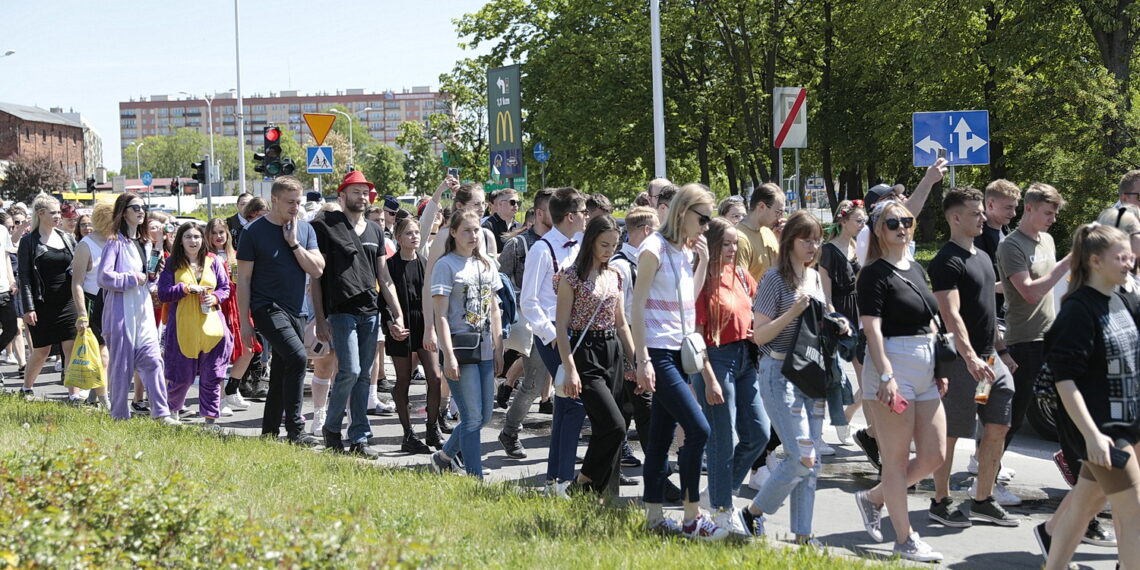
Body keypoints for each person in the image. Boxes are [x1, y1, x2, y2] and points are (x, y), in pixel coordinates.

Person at [852, 200, 948, 563]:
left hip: (924, 367)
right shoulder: (873, 273)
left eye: (907, 221)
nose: (902, 227)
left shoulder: (916, 268)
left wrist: (939, 368)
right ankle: (904, 539)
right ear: (878, 229)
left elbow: (931, 321)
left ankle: (875, 497)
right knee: (895, 460)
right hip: (892, 367)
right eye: (893, 222)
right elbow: (872, 329)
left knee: (934, 455)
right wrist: (886, 375)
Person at [1042, 223, 1140, 570]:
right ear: (1096, 261)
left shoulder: (1122, 298)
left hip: (1128, 422)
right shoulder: (1078, 311)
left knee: (1084, 505)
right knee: (1133, 513)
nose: (1129, 262)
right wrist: (1092, 435)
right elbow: (1064, 380)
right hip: (1104, 428)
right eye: (1122, 257)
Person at [631, 183, 725, 540]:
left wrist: (700, 261)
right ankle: (691, 517)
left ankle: (654, 517)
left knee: (659, 438)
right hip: (657, 352)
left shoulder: (683, 251)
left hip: (678, 351)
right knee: (698, 429)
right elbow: (636, 306)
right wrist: (642, 360)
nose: (706, 226)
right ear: (683, 212)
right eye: (703, 218)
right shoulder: (652, 248)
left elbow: (688, 298)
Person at [927, 187, 1019, 528]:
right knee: (951, 433)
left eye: (982, 212)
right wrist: (970, 358)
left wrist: (1001, 351)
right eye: (976, 213)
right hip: (964, 364)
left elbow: (987, 312)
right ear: (955, 218)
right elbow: (952, 317)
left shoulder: (981, 256)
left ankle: (983, 498)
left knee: (999, 425)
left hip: (989, 361)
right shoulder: (946, 261)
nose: (983, 217)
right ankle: (940, 499)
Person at [738, 211, 831, 544]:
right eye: (806, 240)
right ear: (790, 241)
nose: (813, 246)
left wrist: (836, 325)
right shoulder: (774, 279)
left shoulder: (815, 277)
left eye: (817, 239)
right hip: (778, 371)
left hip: (810, 372)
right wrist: (793, 311)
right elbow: (759, 335)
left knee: (812, 460)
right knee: (801, 454)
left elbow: (821, 322)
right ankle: (751, 514)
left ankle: (803, 536)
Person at [310, 171, 405, 457]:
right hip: (340, 311)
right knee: (349, 371)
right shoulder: (325, 225)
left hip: (370, 311)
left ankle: (359, 437)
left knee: (364, 375)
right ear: (342, 196)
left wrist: (397, 313)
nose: (362, 197)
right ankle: (331, 427)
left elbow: (384, 277)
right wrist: (319, 317)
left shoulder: (376, 231)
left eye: (366, 192)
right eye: (356, 192)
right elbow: (316, 277)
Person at [995, 183, 1070, 504]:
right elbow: (1029, 291)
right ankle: (987, 477)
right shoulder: (1012, 246)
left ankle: (1077, 468)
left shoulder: (1048, 239)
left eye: (1055, 214)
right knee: (1014, 413)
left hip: (1050, 337)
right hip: (1023, 340)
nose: (1053, 219)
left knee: (1070, 409)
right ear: (1029, 208)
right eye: (1048, 213)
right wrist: (1069, 261)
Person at [236, 176, 325, 445]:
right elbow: (244, 280)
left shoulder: (305, 230)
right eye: (290, 202)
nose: (295, 207)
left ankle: (269, 432)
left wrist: (294, 243)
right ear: (274, 200)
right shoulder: (253, 232)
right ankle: (296, 429)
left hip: (298, 310)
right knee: (298, 358)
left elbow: (318, 269)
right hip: (266, 308)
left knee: (282, 370)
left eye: (298, 202)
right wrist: (244, 322)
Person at [554, 214, 636, 495]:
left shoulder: (616, 275)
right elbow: (561, 327)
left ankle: (600, 494)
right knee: (613, 425)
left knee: (613, 426)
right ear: (590, 241)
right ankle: (582, 482)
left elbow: (621, 322)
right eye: (604, 244)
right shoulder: (570, 277)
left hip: (612, 349)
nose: (609, 250)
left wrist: (636, 360)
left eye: (614, 245)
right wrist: (571, 368)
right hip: (585, 352)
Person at [695, 217, 767, 535]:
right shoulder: (700, 280)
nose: (733, 248)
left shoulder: (739, 273)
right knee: (724, 441)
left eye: (735, 243)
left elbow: (758, 307)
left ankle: (717, 493)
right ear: (711, 244)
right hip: (715, 359)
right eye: (726, 243)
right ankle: (722, 512)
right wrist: (709, 376)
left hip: (743, 359)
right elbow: (694, 336)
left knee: (759, 434)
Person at [515, 187, 589, 490]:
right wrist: (552, 336)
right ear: (570, 216)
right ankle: (562, 478)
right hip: (553, 338)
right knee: (574, 401)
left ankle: (555, 476)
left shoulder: (581, 243)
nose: (587, 217)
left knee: (567, 404)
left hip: (579, 334)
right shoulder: (542, 249)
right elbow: (529, 301)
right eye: (583, 212)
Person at [428, 210, 504, 478]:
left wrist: (499, 346)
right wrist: (448, 356)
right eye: (467, 231)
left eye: (476, 231)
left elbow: (494, 308)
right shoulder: (445, 265)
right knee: (471, 418)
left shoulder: (486, 264)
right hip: (460, 349)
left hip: (485, 348)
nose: (473, 236)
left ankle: (444, 456)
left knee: (483, 417)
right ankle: (475, 477)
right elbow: (442, 317)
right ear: (453, 233)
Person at [98, 193, 174, 423]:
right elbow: (104, 277)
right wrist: (132, 278)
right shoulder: (114, 242)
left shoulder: (145, 243)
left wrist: (153, 277)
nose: (141, 211)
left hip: (142, 310)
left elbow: (147, 280)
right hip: (121, 311)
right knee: (121, 365)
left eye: (143, 207)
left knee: (153, 361)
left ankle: (161, 413)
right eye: (135, 207)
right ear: (123, 212)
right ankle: (119, 414)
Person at [497, 188, 555, 458]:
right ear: (542, 213)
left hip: (560, 324)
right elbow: (502, 285)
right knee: (533, 383)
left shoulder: (565, 243)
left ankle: (562, 442)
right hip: (532, 324)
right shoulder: (518, 244)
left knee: (557, 385)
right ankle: (510, 431)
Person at [157, 222, 233, 424]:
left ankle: (210, 420)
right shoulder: (172, 263)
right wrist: (183, 289)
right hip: (183, 328)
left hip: (213, 328)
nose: (193, 241)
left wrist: (215, 298)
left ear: (203, 240)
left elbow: (225, 288)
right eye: (188, 237)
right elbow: (163, 294)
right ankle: (172, 414)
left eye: (197, 237)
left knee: (213, 376)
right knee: (181, 376)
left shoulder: (213, 260)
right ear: (180, 240)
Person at [610, 206, 661, 483]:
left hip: (644, 342)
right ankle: (657, 477)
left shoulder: (646, 260)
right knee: (645, 410)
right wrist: (632, 360)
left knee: (626, 412)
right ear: (645, 231)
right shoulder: (621, 266)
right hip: (627, 346)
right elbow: (619, 318)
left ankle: (610, 470)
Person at [385, 216, 444, 452]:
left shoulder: (425, 262)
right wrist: (390, 323)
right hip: (400, 326)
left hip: (424, 325)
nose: (415, 237)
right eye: (409, 233)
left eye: (417, 233)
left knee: (435, 377)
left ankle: (432, 428)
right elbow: (383, 300)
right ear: (399, 238)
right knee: (403, 380)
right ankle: (408, 433)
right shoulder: (389, 265)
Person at [17, 194, 78, 400]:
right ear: (40, 213)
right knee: (42, 350)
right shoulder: (29, 241)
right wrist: (28, 307)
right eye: (53, 213)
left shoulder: (67, 237)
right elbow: (24, 277)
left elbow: (78, 267)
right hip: (42, 303)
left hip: (68, 302)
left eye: (58, 212)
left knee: (70, 347)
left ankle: (73, 394)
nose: (58, 216)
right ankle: (26, 388)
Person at [818, 199, 865, 445]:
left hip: (858, 311)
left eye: (864, 220)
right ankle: (833, 423)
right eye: (858, 220)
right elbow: (826, 294)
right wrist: (834, 319)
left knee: (866, 376)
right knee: (833, 375)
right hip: (838, 316)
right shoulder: (827, 250)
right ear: (843, 220)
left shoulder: (856, 246)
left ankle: (848, 413)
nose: (862, 224)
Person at [206, 217, 259, 415]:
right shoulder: (206, 256)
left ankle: (232, 389)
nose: (218, 236)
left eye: (221, 232)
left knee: (249, 349)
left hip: (239, 307)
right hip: (219, 307)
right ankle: (218, 398)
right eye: (214, 232)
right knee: (220, 354)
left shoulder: (235, 254)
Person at [69, 199, 113, 409]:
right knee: (100, 352)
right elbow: (76, 283)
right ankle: (105, 399)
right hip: (92, 303)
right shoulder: (85, 245)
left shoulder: (116, 241)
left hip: (113, 302)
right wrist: (81, 314)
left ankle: (94, 397)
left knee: (108, 353)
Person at [482, 188, 520, 252]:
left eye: (518, 203)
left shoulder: (520, 227)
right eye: (512, 202)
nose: (516, 205)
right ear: (500, 204)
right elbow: (484, 255)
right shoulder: (488, 226)